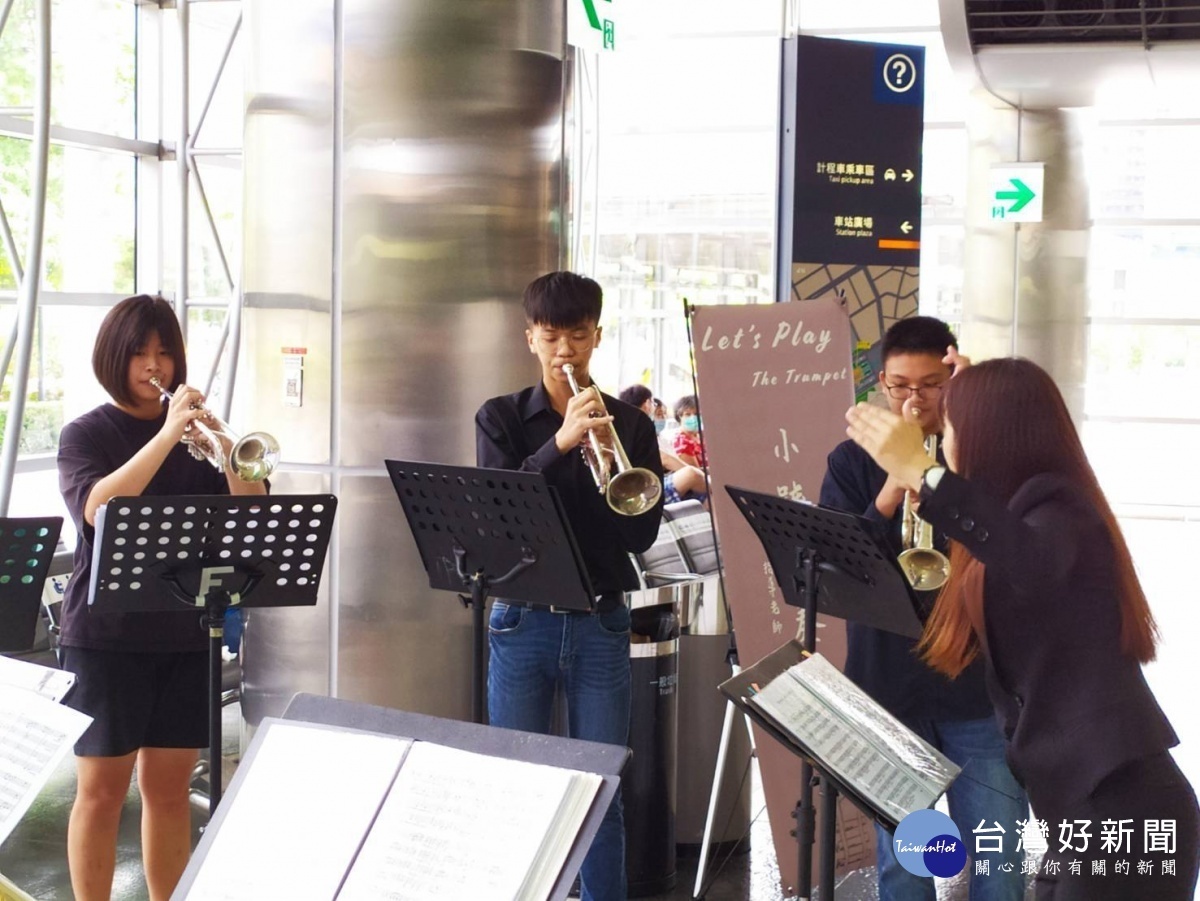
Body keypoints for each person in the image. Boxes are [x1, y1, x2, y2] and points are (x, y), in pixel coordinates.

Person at [845, 356, 1199, 901]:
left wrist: (925, 472)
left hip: (1123, 810)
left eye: (954, 428)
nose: (947, 443)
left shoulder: (1062, 512)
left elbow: (1027, 556)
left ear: (993, 434)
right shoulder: (1019, 516)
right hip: (1077, 809)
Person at [55, 294, 267, 901]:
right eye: (141, 353)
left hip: (184, 630)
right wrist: (168, 434)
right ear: (113, 358)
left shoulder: (196, 439)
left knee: (170, 793)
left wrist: (226, 447)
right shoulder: (85, 434)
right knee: (100, 794)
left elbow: (252, 510)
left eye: (165, 352)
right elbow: (99, 510)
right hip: (106, 638)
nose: (156, 365)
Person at [819, 317, 1026, 901]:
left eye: (932, 385)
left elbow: (1011, 551)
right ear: (879, 383)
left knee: (998, 854)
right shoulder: (850, 461)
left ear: (954, 379)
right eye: (900, 386)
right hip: (887, 683)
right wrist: (891, 486)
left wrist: (956, 448)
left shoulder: (986, 456)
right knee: (903, 862)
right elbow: (835, 566)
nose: (914, 402)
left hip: (977, 686)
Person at [475, 271, 664, 901]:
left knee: (598, 788)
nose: (565, 352)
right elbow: (498, 516)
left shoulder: (633, 426)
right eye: (551, 336)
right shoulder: (500, 417)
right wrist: (561, 444)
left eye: (577, 336)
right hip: (521, 619)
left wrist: (610, 453)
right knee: (517, 785)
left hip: (602, 620)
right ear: (529, 338)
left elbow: (639, 541)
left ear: (598, 337)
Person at [619, 383, 708, 504]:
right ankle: (716, 489)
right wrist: (701, 478)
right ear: (647, 404)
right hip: (647, 490)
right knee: (691, 474)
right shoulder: (637, 431)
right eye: (653, 404)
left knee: (708, 500)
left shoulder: (647, 432)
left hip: (657, 482)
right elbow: (665, 459)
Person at [671, 394, 706, 470]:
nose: (693, 418)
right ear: (679, 417)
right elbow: (697, 473)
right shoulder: (682, 442)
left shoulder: (700, 435)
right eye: (687, 414)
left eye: (697, 414)